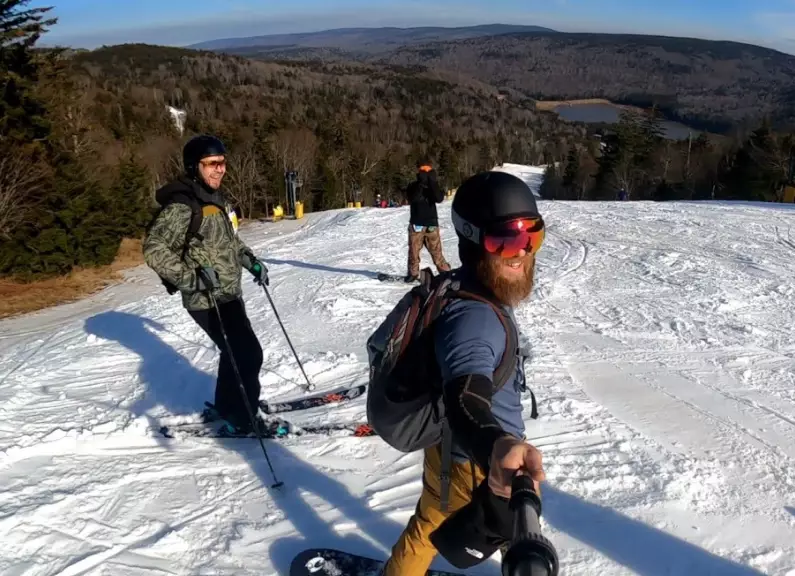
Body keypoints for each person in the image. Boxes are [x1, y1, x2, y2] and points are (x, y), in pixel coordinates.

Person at [381, 171, 547, 575]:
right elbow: (465, 394)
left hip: (454, 450)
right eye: (505, 240)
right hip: (475, 463)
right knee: (465, 532)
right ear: (472, 239)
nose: (522, 252)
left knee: (430, 523)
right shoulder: (474, 319)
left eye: (532, 236)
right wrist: (495, 446)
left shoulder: (466, 285)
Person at [142, 135, 269, 432]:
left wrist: (250, 261)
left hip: (229, 294)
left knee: (234, 352)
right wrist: (193, 278)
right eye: (212, 163)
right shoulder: (183, 207)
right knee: (248, 355)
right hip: (205, 299)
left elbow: (229, 241)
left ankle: (228, 406)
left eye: (222, 163)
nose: (220, 169)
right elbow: (154, 249)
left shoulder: (216, 199)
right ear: (194, 167)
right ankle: (243, 418)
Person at [404, 160, 450, 282]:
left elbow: (439, 198)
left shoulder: (433, 187)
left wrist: (433, 182)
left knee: (436, 252)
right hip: (416, 224)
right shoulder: (413, 186)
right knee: (414, 251)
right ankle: (413, 273)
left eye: (427, 172)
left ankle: (445, 272)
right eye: (423, 172)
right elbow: (412, 198)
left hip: (431, 224)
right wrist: (421, 184)